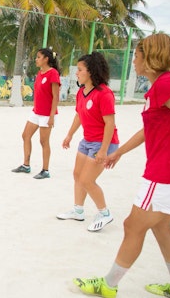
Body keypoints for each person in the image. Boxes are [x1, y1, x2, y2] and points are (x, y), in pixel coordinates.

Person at [73, 34, 170, 297]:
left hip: (163, 174)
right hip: (163, 173)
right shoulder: (159, 87)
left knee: (132, 226)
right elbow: (148, 130)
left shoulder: (166, 84)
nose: (134, 62)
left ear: (149, 57)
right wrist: (120, 153)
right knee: (161, 227)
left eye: (137, 56)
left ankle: (108, 285)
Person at [56, 52, 119, 232]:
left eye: (80, 70)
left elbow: (110, 123)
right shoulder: (82, 92)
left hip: (103, 143)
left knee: (87, 180)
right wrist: (69, 135)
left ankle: (105, 213)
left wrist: (103, 150)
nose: (77, 73)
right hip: (88, 140)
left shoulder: (104, 93)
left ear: (91, 71)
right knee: (77, 175)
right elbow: (79, 115)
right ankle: (78, 211)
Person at [11, 48, 61, 178]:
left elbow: (56, 97)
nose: (36, 59)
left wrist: (51, 117)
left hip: (47, 114)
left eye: (39, 57)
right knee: (25, 135)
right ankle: (26, 165)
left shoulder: (53, 73)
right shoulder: (40, 73)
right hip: (36, 112)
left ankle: (45, 170)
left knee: (44, 142)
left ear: (46, 59)